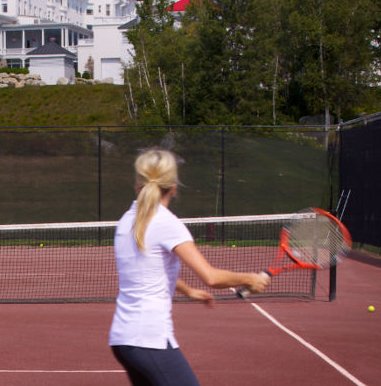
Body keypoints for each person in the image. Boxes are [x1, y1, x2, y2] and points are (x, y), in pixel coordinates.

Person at [109, 150, 270, 386]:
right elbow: (211, 277)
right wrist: (249, 279)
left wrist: (187, 291)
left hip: (123, 340)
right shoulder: (166, 222)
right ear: (173, 187)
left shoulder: (126, 220)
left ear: (137, 185)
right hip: (149, 340)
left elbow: (147, 270)